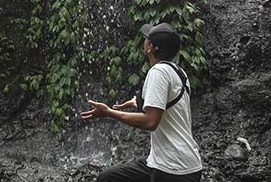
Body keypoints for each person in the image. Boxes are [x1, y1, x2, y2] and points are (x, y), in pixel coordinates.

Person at [81, 22, 203, 182]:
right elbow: (168, 104)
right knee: (108, 178)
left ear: (151, 48)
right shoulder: (178, 71)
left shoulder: (158, 72)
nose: (144, 41)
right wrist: (137, 103)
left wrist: (109, 113)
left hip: (174, 169)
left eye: (146, 39)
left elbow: (150, 122)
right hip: (165, 162)